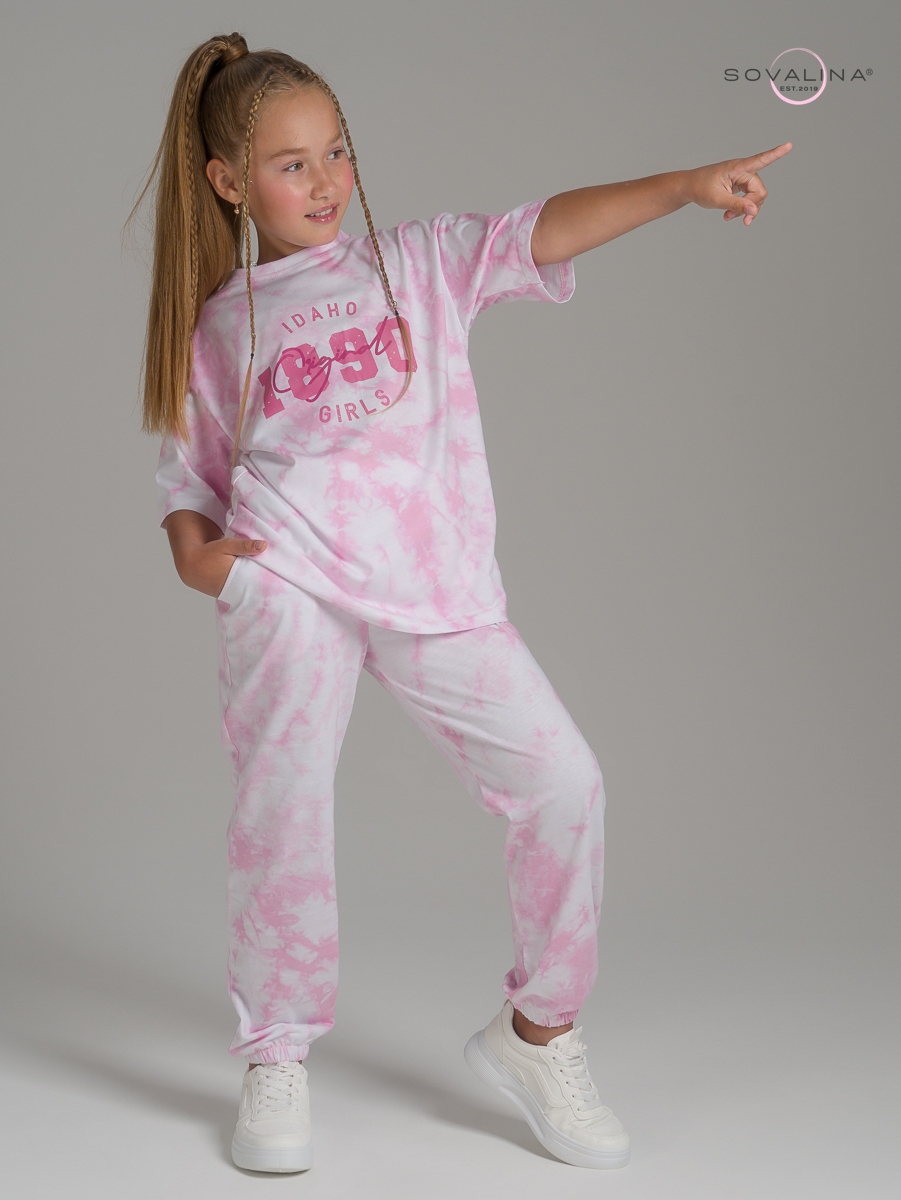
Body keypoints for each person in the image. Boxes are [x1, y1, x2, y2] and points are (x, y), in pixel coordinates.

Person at [134, 31, 791, 1174]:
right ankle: (275, 1052)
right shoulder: (222, 320)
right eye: (292, 164)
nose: (326, 181)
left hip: (434, 584)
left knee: (564, 785)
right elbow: (190, 478)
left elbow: (546, 226)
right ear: (229, 182)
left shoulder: (417, 263)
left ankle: (538, 1032)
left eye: (337, 151)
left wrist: (684, 186)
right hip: (290, 586)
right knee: (283, 813)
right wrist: (205, 563)